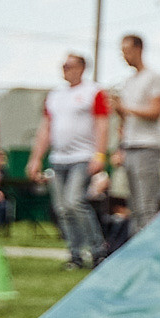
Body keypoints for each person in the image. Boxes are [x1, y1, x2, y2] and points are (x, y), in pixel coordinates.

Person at [29, 51, 108, 269]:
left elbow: (102, 124)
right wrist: (36, 158)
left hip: (82, 156)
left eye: (69, 66)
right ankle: (75, 254)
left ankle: (97, 248)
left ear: (82, 68)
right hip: (58, 158)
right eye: (63, 66)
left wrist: (99, 154)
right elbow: (45, 128)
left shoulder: (93, 92)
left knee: (75, 202)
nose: (65, 70)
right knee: (62, 208)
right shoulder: (55, 95)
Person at [111, 32, 160, 232]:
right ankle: (135, 251)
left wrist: (126, 108)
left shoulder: (153, 77)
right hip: (130, 146)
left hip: (147, 147)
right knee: (134, 205)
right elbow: (126, 119)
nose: (124, 56)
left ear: (138, 49)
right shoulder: (128, 81)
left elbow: (156, 111)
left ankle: (149, 250)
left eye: (127, 51)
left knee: (146, 206)